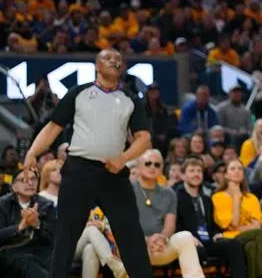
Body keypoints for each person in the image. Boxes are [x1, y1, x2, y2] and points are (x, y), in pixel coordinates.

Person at [22, 48, 153, 278]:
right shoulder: (78, 93)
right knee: (66, 236)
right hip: (79, 171)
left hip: (114, 173)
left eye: (118, 60)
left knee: (131, 234)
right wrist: (32, 152)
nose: (114, 61)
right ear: (97, 66)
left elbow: (144, 138)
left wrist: (123, 158)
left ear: (122, 68)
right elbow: (54, 127)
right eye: (108, 58)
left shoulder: (130, 100)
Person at [40, 159, 126, 278]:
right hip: (55, 245)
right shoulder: (41, 198)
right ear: (46, 176)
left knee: (90, 249)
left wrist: (96, 224)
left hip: (75, 242)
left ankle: (116, 267)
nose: (60, 172)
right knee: (90, 231)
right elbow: (52, 227)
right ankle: (116, 266)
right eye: (54, 170)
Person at [134, 149, 207, 278]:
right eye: (148, 163)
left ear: (162, 169)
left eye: (157, 165)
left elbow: (170, 225)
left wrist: (162, 238)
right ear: (138, 167)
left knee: (185, 236)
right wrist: (146, 240)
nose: (152, 167)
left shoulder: (169, 193)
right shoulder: (127, 190)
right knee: (126, 241)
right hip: (136, 248)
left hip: (161, 247)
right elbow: (125, 226)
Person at [175, 157, 247, 278]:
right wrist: (189, 237)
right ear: (183, 176)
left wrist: (216, 233)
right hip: (189, 242)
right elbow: (176, 226)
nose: (196, 174)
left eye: (199, 171)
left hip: (207, 240)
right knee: (199, 252)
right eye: (192, 171)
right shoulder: (177, 198)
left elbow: (212, 224)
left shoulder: (207, 199)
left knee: (234, 245)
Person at [212, 159, 262, 278]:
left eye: (240, 169)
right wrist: (236, 198)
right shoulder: (218, 197)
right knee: (258, 234)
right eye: (233, 169)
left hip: (249, 237)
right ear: (225, 174)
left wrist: (238, 227)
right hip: (231, 239)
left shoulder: (251, 198)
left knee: (251, 246)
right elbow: (231, 224)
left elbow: (257, 225)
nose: (237, 171)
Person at [0, 167, 58, 278]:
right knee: (27, 261)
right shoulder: (3, 205)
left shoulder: (46, 205)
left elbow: (54, 237)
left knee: (54, 260)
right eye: (24, 180)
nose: (30, 183)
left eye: (33, 179)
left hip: (39, 251)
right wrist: (21, 226)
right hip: (11, 251)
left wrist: (37, 224)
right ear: (14, 186)